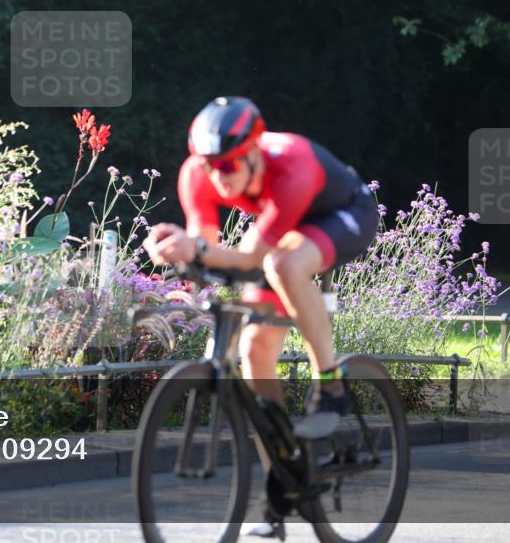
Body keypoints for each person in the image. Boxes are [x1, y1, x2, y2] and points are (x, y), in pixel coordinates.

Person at [142, 96, 378, 539]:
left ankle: (331, 381)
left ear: (253, 153)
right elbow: (208, 246)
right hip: (284, 228)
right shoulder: (198, 173)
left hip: (343, 213)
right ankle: (279, 486)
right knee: (254, 348)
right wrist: (180, 255)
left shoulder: (291, 165)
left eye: (228, 166)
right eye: (209, 166)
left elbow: (251, 256)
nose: (218, 176)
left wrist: (199, 250)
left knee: (283, 265)